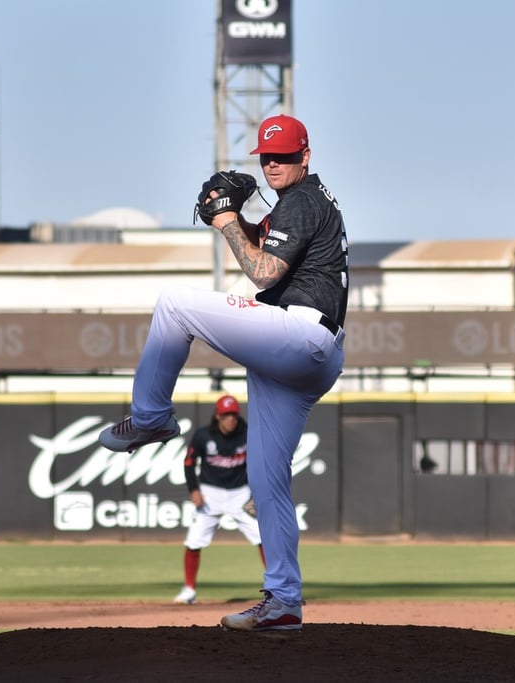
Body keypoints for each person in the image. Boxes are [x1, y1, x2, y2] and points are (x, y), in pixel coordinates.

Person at [98, 114, 347, 632]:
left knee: (173, 303)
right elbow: (269, 254)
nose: (273, 164)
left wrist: (226, 221)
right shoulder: (303, 203)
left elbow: (262, 272)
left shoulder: (302, 201)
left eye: (283, 155)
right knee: (267, 480)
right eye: (266, 156)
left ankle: (151, 418)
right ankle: (283, 601)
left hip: (299, 336)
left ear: (306, 156)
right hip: (305, 353)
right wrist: (243, 220)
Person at [174, 395, 266, 605]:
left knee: (263, 538)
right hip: (210, 493)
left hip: (240, 494)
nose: (230, 419)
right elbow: (189, 462)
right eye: (226, 415)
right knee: (193, 541)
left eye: (233, 414)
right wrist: (194, 490)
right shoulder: (203, 436)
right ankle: (189, 590)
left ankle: (277, 587)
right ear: (217, 416)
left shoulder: (248, 434)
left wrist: (257, 492)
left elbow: (261, 462)